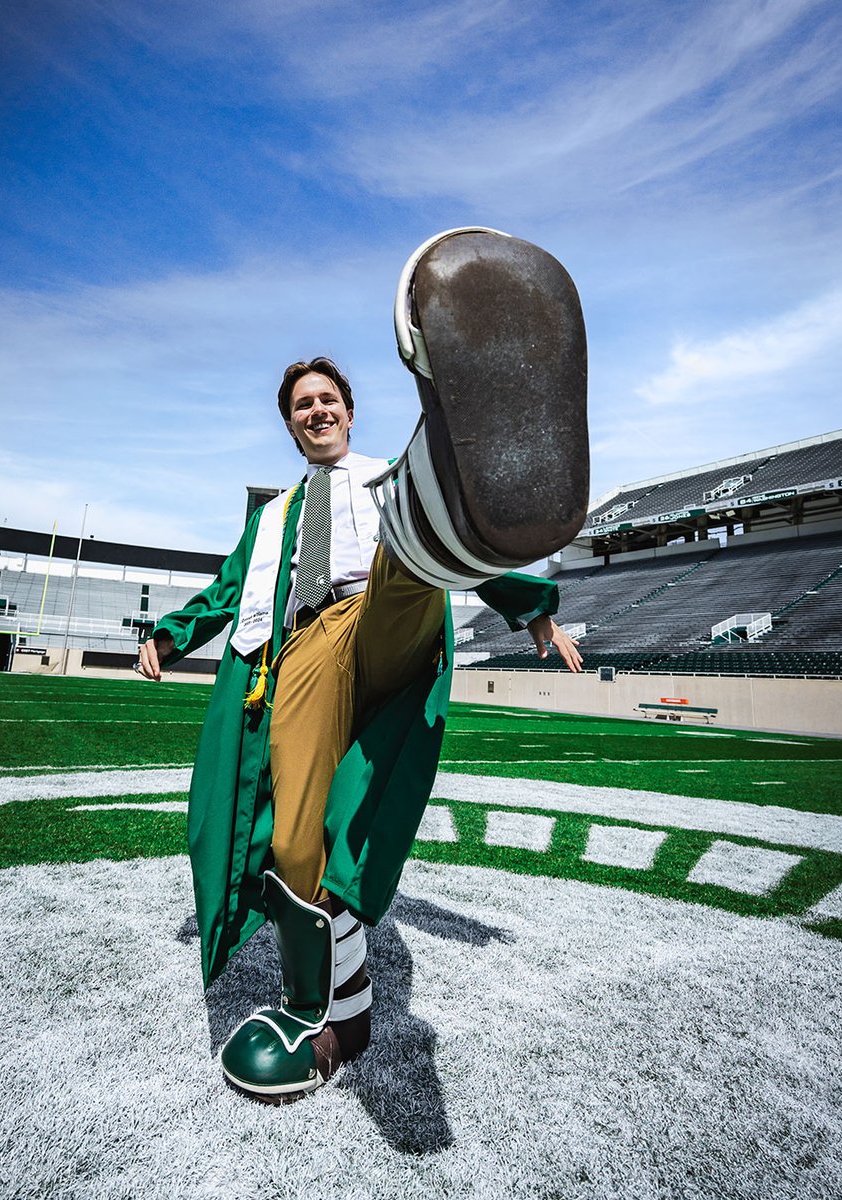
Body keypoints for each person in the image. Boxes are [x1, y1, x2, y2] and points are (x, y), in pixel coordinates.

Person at [137, 228, 588, 1102]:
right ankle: (335, 1013)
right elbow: (227, 593)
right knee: (297, 840)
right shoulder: (269, 520)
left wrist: (530, 606)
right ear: (292, 423)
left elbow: (470, 569)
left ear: (350, 409)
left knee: (408, 558)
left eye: (327, 399)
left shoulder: (379, 478)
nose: (315, 412)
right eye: (301, 405)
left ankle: (458, 428)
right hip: (297, 659)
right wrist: (167, 638)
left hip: (381, 619)